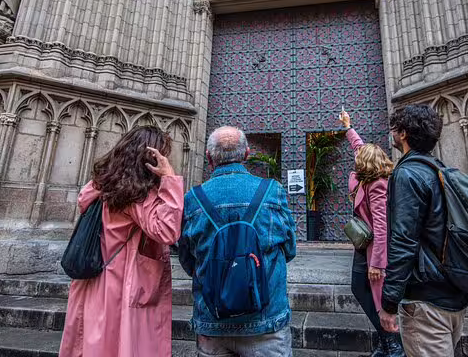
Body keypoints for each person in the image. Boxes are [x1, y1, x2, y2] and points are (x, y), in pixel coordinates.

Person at [59, 126, 184, 357]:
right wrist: (169, 179)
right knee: (112, 343)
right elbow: (167, 231)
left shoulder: (98, 187)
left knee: (90, 342)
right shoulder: (136, 197)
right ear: (149, 160)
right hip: (119, 285)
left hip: (92, 278)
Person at [179, 126, 297, 357]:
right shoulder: (272, 191)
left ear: (209, 157)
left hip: (212, 320)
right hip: (266, 320)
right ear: (247, 154)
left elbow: (187, 260)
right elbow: (290, 249)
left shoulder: (192, 199)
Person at [379, 105, 468, 356]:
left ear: (404, 133)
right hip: (451, 292)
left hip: (426, 300)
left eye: (395, 128)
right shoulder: (439, 170)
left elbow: (404, 242)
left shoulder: (407, 174)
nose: (392, 133)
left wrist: (388, 302)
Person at [339, 110, 405, 357]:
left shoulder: (377, 184)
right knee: (358, 286)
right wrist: (348, 127)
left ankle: (393, 343)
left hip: (374, 247)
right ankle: (386, 338)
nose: (355, 158)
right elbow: (358, 146)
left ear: (366, 164)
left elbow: (381, 226)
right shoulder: (365, 173)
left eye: (359, 159)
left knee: (375, 293)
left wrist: (377, 263)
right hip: (362, 245)